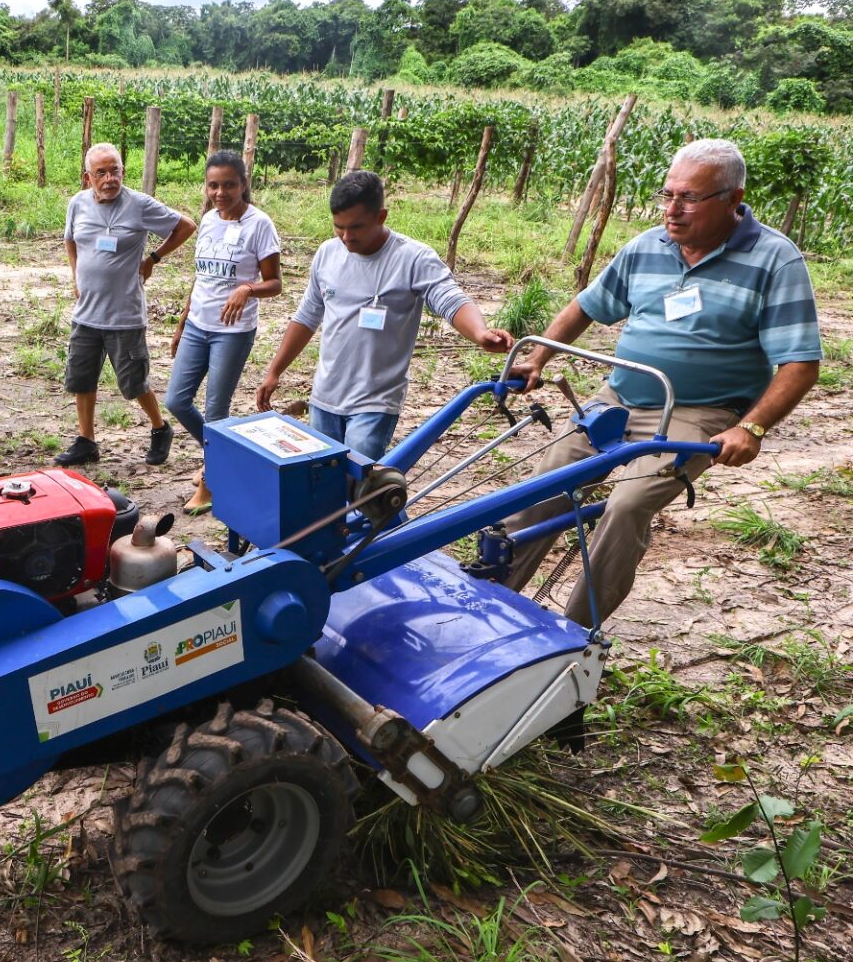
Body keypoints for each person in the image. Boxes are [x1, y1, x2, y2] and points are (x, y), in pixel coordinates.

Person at [502, 138, 821, 627]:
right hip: (618, 397)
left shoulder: (774, 260)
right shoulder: (647, 246)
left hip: (698, 411)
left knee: (627, 505)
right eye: (667, 194)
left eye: (689, 197)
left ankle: (575, 632)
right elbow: (587, 306)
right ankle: (490, 593)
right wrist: (538, 358)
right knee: (546, 485)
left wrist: (751, 428)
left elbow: (800, 362)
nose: (672, 209)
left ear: (733, 200)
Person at [256, 170, 512, 461]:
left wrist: (480, 333)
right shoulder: (328, 253)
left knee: (359, 487)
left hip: (375, 402)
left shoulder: (413, 258)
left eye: (356, 227)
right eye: (338, 227)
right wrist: (275, 371)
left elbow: (450, 300)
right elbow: (307, 316)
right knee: (322, 484)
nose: (346, 237)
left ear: (381, 216)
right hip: (325, 397)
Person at [54, 143, 196, 467]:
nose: (109, 179)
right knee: (82, 378)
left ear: (123, 172)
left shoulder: (139, 205)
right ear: (87, 177)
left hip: (125, 315)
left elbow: (186, 226)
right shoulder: (77, 204)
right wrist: (76, 275)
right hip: (87, 313)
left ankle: (160, 428)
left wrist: (153, 259)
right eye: (101, 172)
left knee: (134, 383)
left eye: (114, 170)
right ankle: (86, 440)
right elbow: (70, 240)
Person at [165, 151, 283, 514]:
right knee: (176, 400)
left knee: (216, 412)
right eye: (213, 185)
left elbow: (275, 283)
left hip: (232, 332)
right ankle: (226, 458)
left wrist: (247, 289)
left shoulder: (259, 224)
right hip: (199, 325)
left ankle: (211, 482)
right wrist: (183, 321)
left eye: (229, 185)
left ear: (244, 184)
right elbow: (201, 278)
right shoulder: (209, 221)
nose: (220, 192)